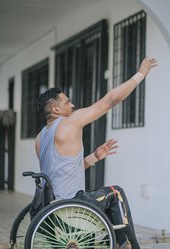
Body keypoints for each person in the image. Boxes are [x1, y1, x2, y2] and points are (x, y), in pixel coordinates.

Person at [35, 57, 157, 249]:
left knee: (104, 198)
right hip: (71, 207)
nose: (72, 105)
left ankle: (119, 243)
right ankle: (128, 246)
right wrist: (140, 74)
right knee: (116, 193)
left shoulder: (40, 137)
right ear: (56, 109)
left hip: (51, 210)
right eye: (67, 102)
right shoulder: (70, 123)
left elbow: (61, 171)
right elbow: (109, 101)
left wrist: (94, 157)